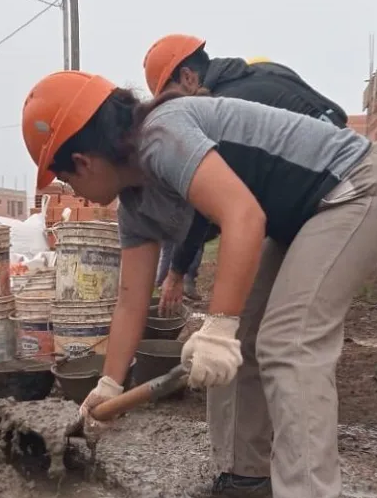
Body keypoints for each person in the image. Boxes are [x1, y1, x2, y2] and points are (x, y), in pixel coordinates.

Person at [20, 70, 377, 498]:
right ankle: (248, 479)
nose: (72, 191)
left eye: (65, 181)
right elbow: (132, 301)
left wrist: (219, 328)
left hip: (352, 189)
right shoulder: (136, 203)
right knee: (236, 334)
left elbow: (242, 216)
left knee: (287, 343)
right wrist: (109, 384)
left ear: (81, 162)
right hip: (300, 218)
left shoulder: (163, 135)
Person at [143, 34, 349, 313]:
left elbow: (208, 210)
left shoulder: (224, 109)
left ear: (188, 78)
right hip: (310, 201)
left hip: (339, 196)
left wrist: (177, 272)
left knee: (290, 325)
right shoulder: (258, 77)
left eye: (170, 104)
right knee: (253, 317)